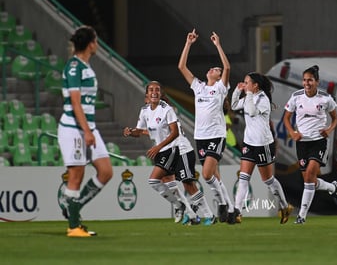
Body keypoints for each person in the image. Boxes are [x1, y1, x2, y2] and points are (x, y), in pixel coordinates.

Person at [58, 25, 113, 237]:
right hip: (74, 128)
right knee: (76, 175)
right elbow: (75, 102)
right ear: (90, 44)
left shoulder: (85, 66)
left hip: (88, 127)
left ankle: (72, 208)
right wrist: (86, 131)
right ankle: (73, 226)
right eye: (96, 41)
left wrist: (89, 130)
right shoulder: (74, 67)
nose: (97, 45)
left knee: (106, 171)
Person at [178, 29, 235, 223]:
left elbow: (227, 68)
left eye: (216, 70)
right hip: (200, 137)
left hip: (215, 136)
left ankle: (220, 203)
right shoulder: (199, 87)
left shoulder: (220, 88)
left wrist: (218, 45)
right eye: (213, 68)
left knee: (206, 174)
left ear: (219, 78)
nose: (214, 69)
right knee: (215, 177)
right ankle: (231, 210)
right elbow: (182, 66)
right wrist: (188, 43)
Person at [283, 65, 337, 224]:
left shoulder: (325, 98)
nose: (306, 83)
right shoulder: (296, 97)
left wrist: (329, 130)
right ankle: (332, 188)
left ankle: (301, 216)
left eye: (310, 80)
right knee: (310, 181)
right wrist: (292, 133)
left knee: (309, 175)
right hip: (302, 143)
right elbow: (286, 119)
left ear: (317, 82)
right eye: (304, 80)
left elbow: (336, 118)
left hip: (319, 142)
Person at [231, 72, 293, 224]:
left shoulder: (263, 99)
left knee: (268, 180)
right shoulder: (248, 97)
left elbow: (251, 112)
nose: (244, 85)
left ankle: (285, 206)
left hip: (263, 144)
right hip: (249, 143)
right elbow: (233, 105)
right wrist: (237, 91)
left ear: (255, 85)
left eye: (246, 82)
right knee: (243, 178)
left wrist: (249, 94)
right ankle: (237, 212)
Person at [123, 81, 187, 224]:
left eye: (157, 89)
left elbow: (175, 133)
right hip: (159, 152)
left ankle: (179, 206)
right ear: (146, 94)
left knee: (153, 180)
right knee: (168, 181)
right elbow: (139, 131)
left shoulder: (167, 109)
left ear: (160, 93)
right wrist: (130, 132)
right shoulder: (144, 110)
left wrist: (158, 147)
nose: (154, 92)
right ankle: (188, 210)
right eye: (151, 89)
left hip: (170, 149)